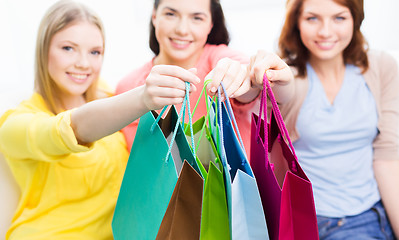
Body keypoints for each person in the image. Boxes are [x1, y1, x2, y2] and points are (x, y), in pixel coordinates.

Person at [0, 0, 201, 239]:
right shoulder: (16, 123)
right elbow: (70, 129)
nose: (83, 64)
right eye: (68, 48)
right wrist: (142, 98)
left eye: (94, 52)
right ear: (44, 49)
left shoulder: (109, 96)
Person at [257, 0, 399, 238]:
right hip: (306, 220)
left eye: (339, 18)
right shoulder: (287, 78)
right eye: (312, 18)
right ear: (297, 22)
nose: (325, 31)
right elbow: (264, 94)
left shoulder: (380, 67)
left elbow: (387, 158)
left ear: (356, 19)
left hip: (370, 217)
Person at [116, 0, 294, 156]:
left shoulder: (220, 60)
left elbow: (246, 80)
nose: (182, 29)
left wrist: (246, 77)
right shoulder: (128, 86)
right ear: (155, 16)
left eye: (197, 18)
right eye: (171, 14)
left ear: (211, 24)